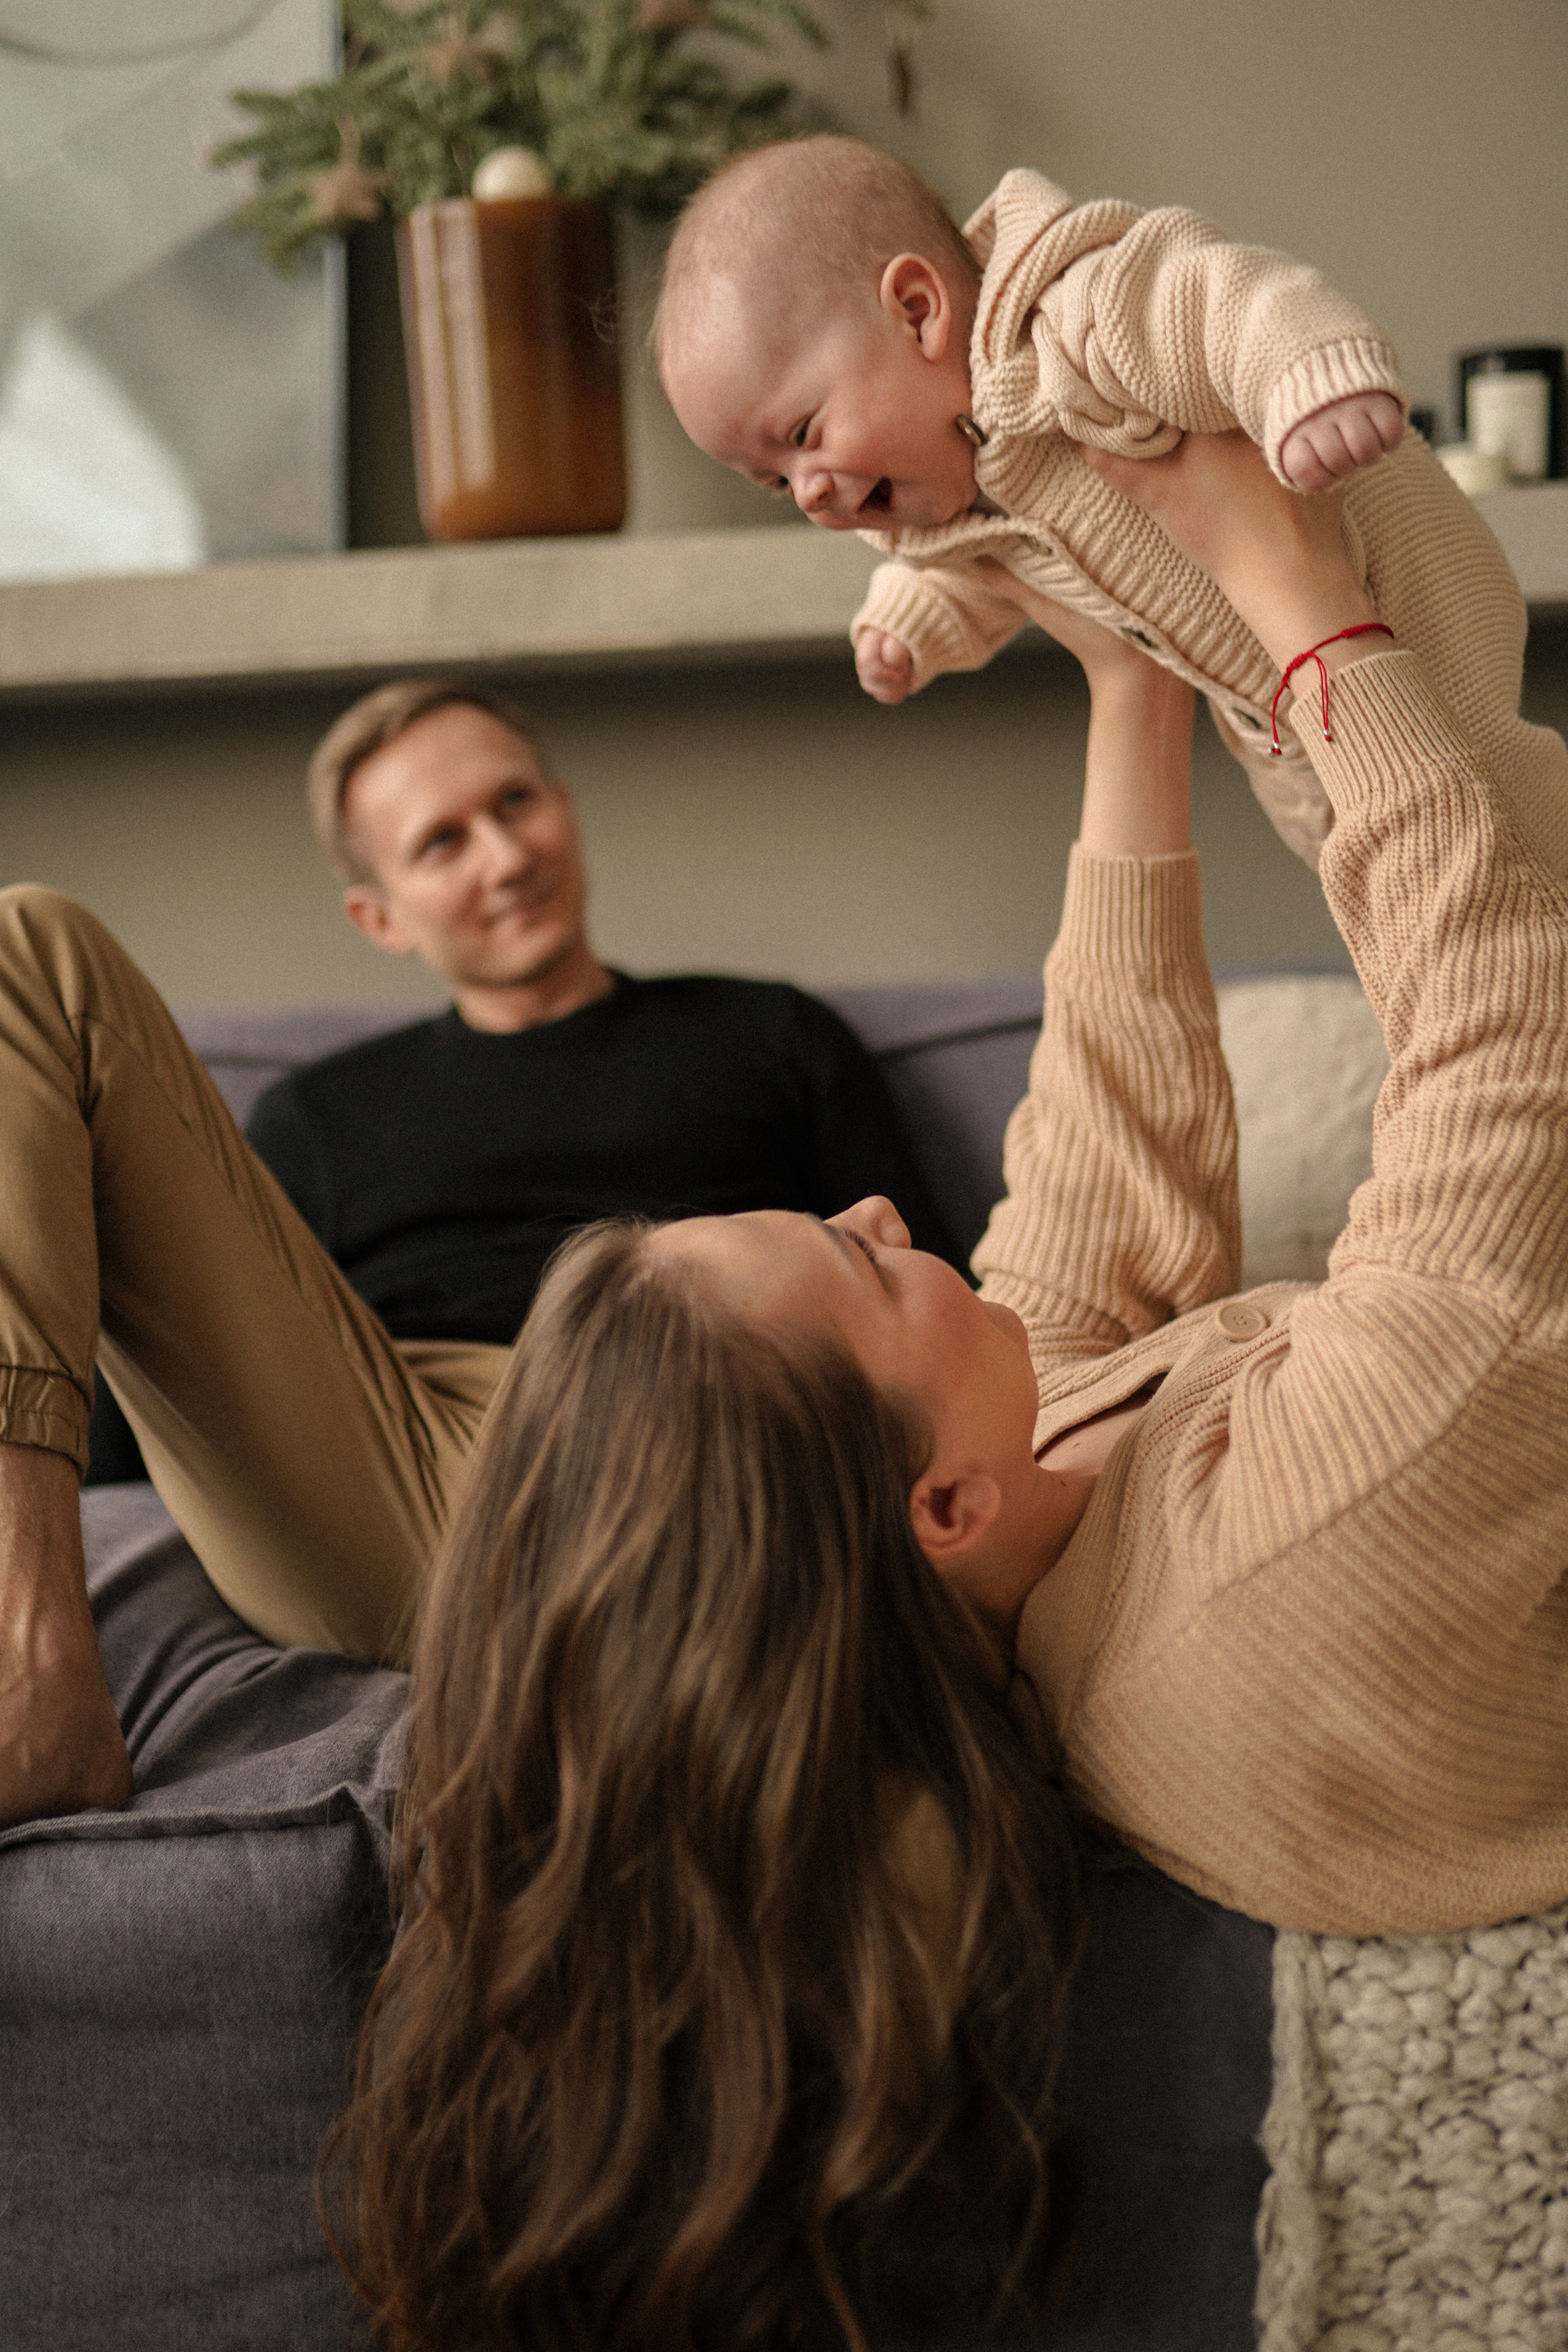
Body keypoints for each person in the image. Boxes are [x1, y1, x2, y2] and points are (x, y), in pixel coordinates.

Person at [3, 431, 1566, 2343]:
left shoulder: (1002, 1487)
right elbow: (1507, 1041)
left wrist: (1129, 683)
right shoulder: (1268, 1556)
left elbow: (1095, 1196)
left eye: (515, 799)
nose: (894, 1208)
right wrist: (1299, 603)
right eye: (861, 1257)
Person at [84, 677, 956, 1480]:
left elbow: (933, 1295)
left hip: (710, 1426)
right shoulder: (314, 1119)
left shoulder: (771, 1032)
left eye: (515, 802)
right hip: (429, 1465)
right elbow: (152, 1411)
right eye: (443, 842)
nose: (506, 859)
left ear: (564, 809)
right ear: (380, 918)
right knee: (37, 949)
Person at [654, 134, 1568, 883]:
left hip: (1399, 590)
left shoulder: (1073, 319)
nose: (810, 493)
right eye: (775, 482)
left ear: (919, 311)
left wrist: (1312, 379)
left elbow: (1222, 300)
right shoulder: (948, 502)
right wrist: (912, 623)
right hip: (1295, 724)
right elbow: (980, 568)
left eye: (804, 433)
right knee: (1391, 871)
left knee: (1501, 821)